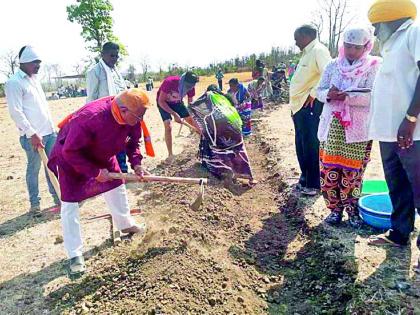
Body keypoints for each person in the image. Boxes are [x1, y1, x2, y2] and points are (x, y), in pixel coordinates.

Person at [48, 89, 151, 276]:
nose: (140, 120)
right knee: (70, 204)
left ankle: (126, 224)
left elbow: (133, 142)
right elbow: (70, 152)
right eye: (138, 116)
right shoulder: (89, 118)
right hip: (72, 158)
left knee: (117, 185)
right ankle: (75, 254)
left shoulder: (133, 118)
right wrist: (94, 172)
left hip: (103, 153)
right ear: (122, 109)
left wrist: (136, 164)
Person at [366, 0, 420, 251]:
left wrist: (410, 119)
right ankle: (400, 233)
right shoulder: (391, 47)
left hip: (412, 132)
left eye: (377, 26)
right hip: (389, 133)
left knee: (418, 186)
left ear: (391, 20)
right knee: (397, 186)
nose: (375, 33)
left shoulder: (413, 32)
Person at [317, 27, 381, 228]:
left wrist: (349, 97)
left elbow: (374, 96)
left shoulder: (373, 66)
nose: (351, 51)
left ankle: (353, 211)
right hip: (332, 126)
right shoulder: (333, 65)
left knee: (352, 172)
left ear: (366, 46)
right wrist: (329, 94)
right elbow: (318, 90)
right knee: (330, 170)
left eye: (356, 47)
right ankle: (335, 210)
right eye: (348, 46)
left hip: (357, 129)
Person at [5, 46, 60, 213]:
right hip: (32, 137)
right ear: (25, 62)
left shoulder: (34, 79)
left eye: (39, 62)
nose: (38, 66)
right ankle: (35, 205)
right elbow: (16, 112)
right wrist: (32, 133)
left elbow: (41, 107)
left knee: (52, 167)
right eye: (35, 63)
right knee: (33, 168)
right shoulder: (14, 82)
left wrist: (51, 130)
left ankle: (59, 197)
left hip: (48, 133)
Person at [290, 25, 332, 196]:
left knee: (311, 144)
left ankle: (314, 184)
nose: (295, 42)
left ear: (306, 36)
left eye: (297, 38)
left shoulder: (318, 51)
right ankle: (305, 179)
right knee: (301, 143)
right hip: (298, 105)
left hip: (310, 105)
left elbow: (328, 74)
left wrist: (313, 94)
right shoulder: (307, 53)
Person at [191, 85, 257, 185]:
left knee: (218, 150)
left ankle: (222, 173)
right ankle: (249, 177)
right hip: (236, 130)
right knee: (239, 151)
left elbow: (195, 107)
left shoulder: (209, 98)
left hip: (221, 132)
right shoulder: (225, 99)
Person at [86, 42, 128, 173]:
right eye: (111, 56)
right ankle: (111, 172)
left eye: (116, 56)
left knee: (121, 141)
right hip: (104, 115)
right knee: (106, 145)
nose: (114, 59)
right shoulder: (94, 72)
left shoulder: (116, 72)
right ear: (102, 54)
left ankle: (122, 170)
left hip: (119, 114)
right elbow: (91, 97)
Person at [157, 71, 201, 159]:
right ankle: (170, 154)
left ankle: (202, 146)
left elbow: (190, 102)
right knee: (168, 127)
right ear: (183, 80)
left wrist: (192, 115)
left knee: (193, 122)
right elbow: (160, 101)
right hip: (164, 103)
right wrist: (174, 114)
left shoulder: (191, 86)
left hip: (178, 102)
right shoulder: (169, 82)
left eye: (191, 86)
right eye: (187, 85)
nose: (189, 88)